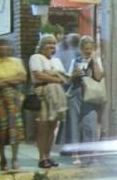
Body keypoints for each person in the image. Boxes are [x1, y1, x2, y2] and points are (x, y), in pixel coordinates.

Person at [29, 35, 69, 169]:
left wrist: (50, 73)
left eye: (54, 44)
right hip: (43, 94)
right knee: (43, 128)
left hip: (57, 95)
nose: (51, 46)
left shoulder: (57, 60)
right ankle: (42, 158)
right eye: (48, 43)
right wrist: (55, 76)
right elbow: (38, 75)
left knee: (52, 127)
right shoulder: (36, 58)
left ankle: (48, 155)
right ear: (42, 45)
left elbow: (64, 76)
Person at [0, 39, 26, 172]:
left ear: (9, 47)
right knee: (1, 131)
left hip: (15, 100)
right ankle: (2, 158)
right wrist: (12, 80)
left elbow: (22, 78)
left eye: (5, 45)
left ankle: (15, 158)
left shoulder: (17, 62)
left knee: (16, 129)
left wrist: (3, 80)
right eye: (0, 45)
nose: (3, 47)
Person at [66, 36, 104, 166]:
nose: (88, 51)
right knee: (75, 125)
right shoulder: (75, 61)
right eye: (86, 49)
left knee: (90, 125)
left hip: (90, 95)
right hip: (75, 94)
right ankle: (76, 155)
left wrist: (93, 60)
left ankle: (91, 155)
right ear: (81, 49)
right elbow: (68, 80)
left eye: (90, 48)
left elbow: (99, 77)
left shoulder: (96, 60)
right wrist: (74, 75)